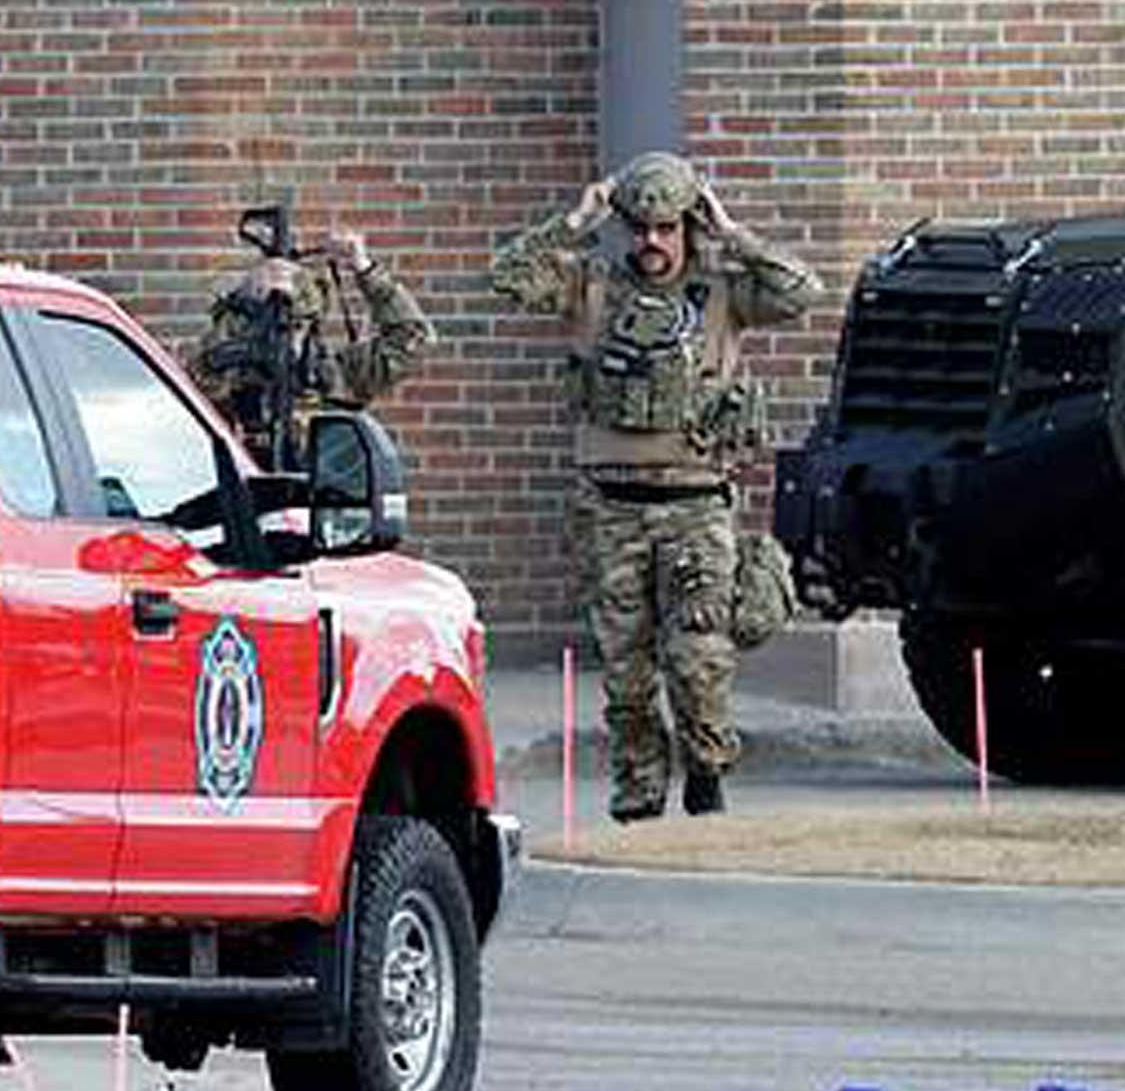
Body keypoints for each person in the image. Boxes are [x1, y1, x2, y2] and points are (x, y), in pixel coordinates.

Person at [490, 152, 821, 820]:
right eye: (640, 228)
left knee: (698, 662)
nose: (652, 243)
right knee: (627, 676)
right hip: (611, 509)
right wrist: (575, 222)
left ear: (687, 226)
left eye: (667, 228)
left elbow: (802, 289)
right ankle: (638, 803)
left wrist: (734, 237)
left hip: (696, 506)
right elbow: (507, 278)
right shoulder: (591, 287)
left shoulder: (724, 290)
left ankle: (706, 779)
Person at [187, 220, 435, 468]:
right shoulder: (230, 372)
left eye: (298, 325)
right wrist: (244, 304)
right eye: (273, 323)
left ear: (313, 324)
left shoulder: (339, 375)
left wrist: (364, 268)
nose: (287, 336)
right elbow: (194, 385)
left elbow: (414, 337)